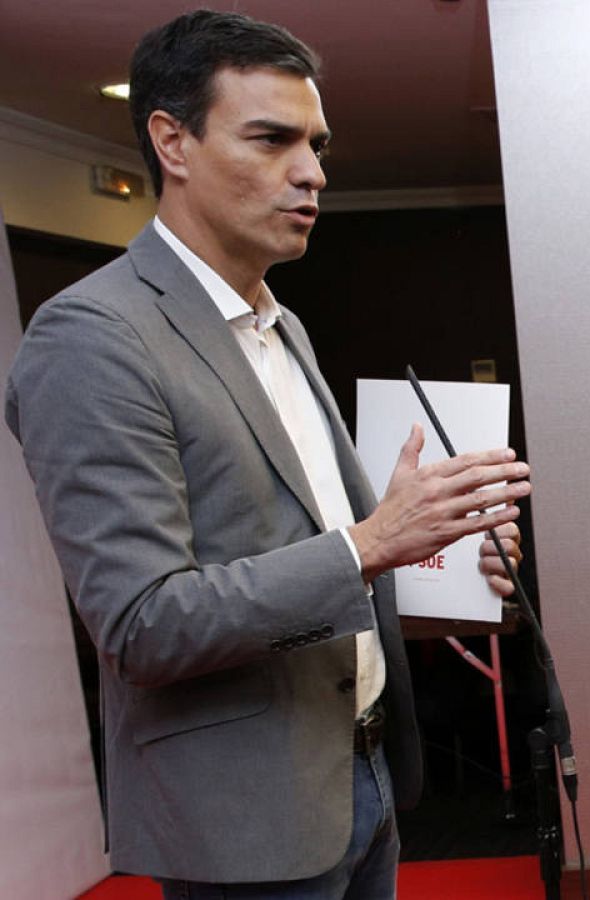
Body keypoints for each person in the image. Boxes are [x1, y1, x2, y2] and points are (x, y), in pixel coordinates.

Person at [4, 11, 530, 895]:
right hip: (243, 818)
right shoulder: (92, 338)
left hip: (359, 774)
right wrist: (374, 542)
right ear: (172, 141)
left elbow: (312, 565)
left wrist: (447, 576)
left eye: (317, 144)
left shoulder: (279, 324)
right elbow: (142, 626)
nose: (314, 173)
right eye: (273, 139)